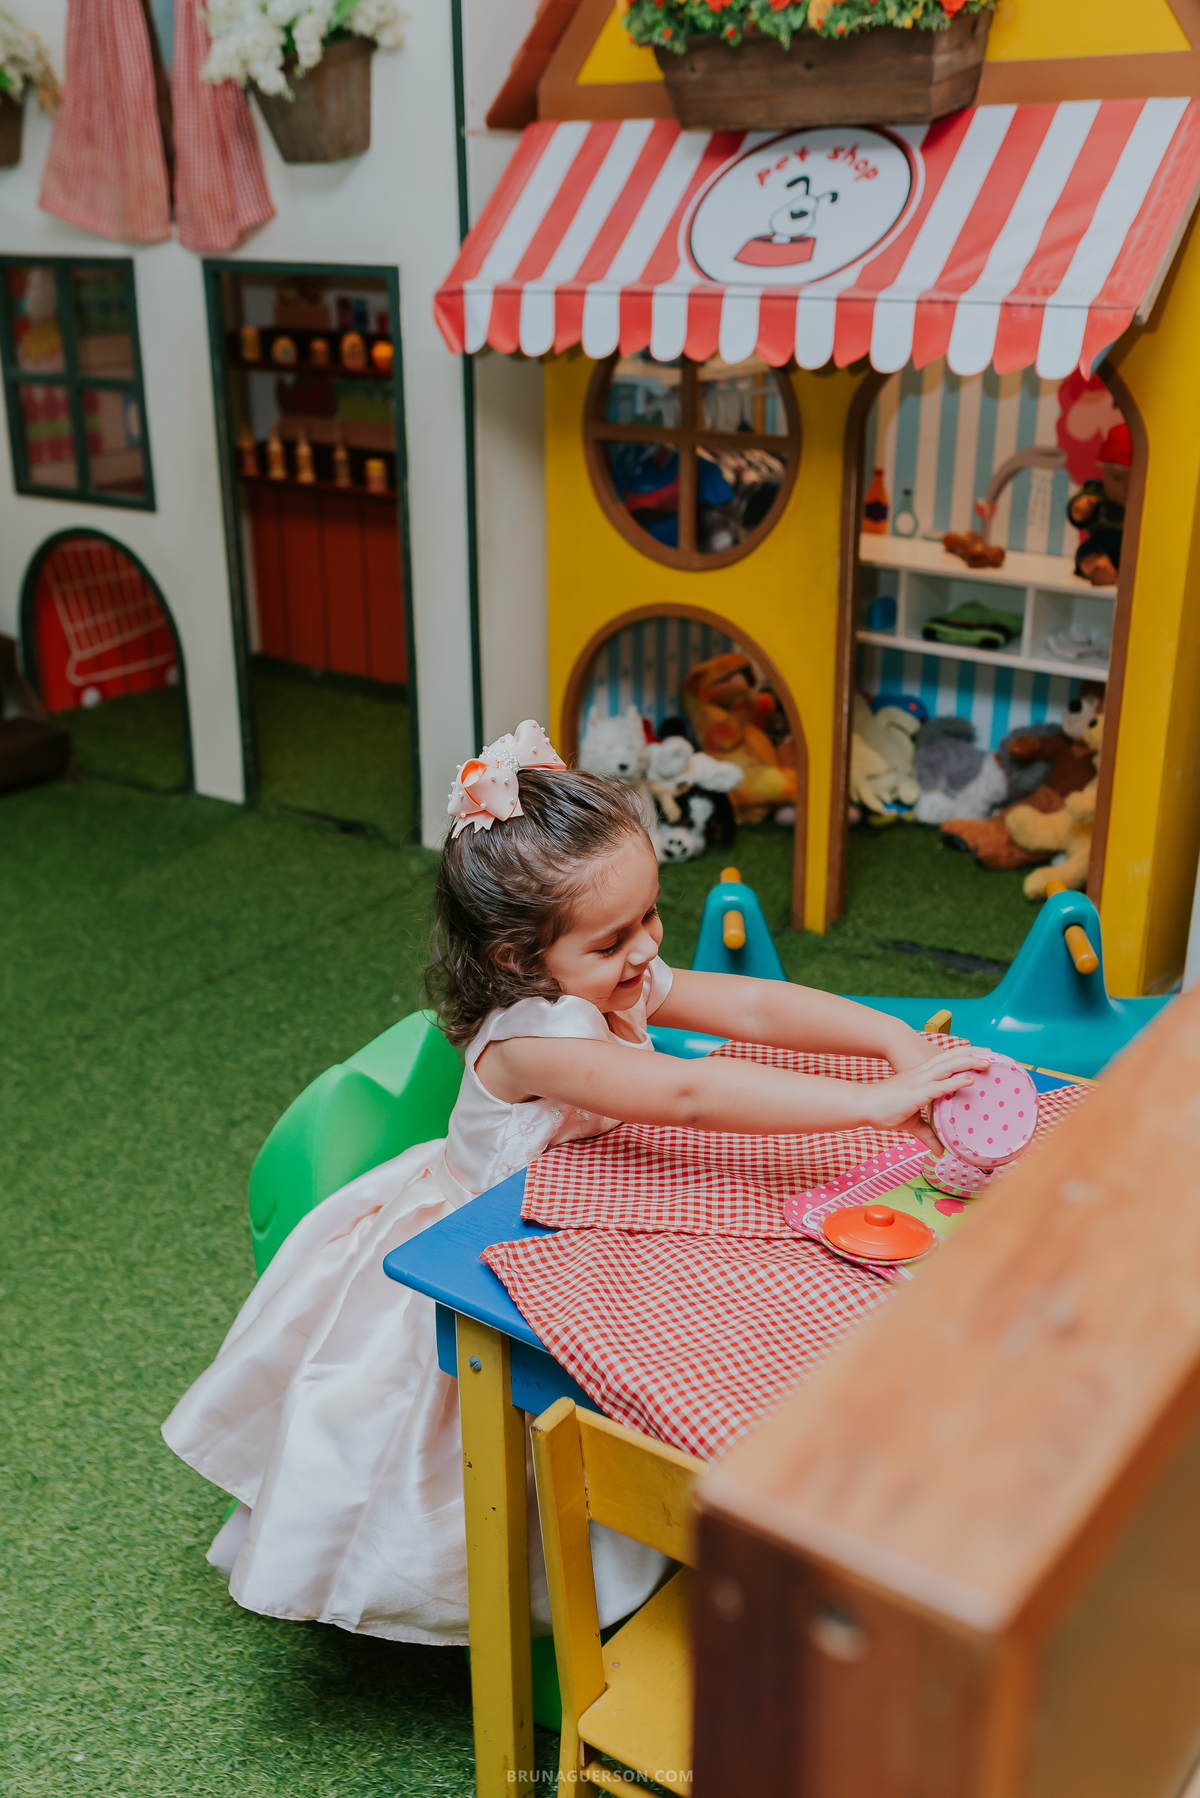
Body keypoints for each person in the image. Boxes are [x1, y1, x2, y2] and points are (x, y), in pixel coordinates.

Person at [162, 721, 986, 1647]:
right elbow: (686, 1095)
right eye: (614, 940)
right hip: (485, 1249)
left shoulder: (605, 973)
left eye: (652, 916)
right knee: (469, 1442)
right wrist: (871, 1105)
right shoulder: (534, 1038)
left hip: (580, 1207)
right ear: (517, 959)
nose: (646, 951)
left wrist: (889, 1041)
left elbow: (753, 1003)